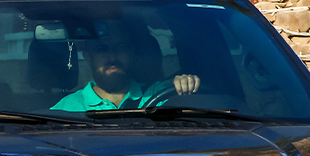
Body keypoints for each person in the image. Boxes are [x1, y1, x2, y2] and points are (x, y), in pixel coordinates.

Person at [51, 35, 200, 112]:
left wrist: (188, 84)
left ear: (131, 53)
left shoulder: (159, 94)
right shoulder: (66, 108)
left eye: (120, 47)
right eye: (102, 49)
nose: (112, 57)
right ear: (88, 57)